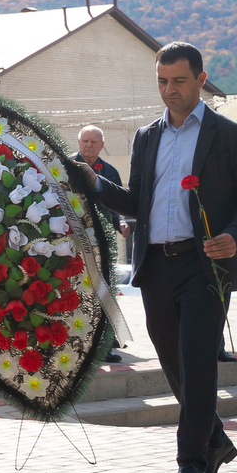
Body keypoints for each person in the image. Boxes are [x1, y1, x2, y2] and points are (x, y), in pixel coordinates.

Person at [65, 42, 237, 473]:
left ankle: (192, 463)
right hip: (156, 264)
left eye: (178, 80)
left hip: (205, 266)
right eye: (162, 80)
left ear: (200, 79)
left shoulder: (231, 134)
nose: (169, 90)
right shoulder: (146, 137)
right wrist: (95, 184)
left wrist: (236, 235)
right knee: (173, 363)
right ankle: (213, 438)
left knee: (197, 363)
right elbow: (138, 202)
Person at [76, 125, 132, 361]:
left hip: (104, 240)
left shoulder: (109, 171)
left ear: (102, 145)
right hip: (75, 241)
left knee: (105, 290)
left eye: (94, 142)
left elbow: (118, 201)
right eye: (85, 141)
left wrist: (120, 222)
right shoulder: (66, 166)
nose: (89, 145)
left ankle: (105, 344)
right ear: (78, 143)